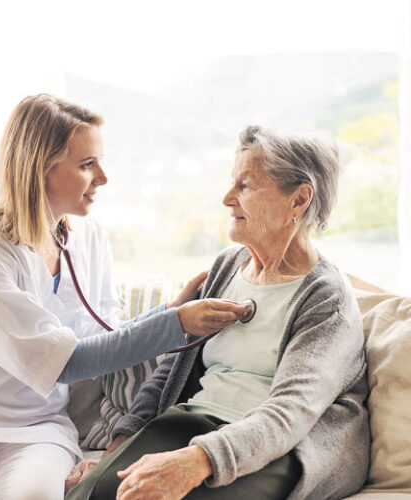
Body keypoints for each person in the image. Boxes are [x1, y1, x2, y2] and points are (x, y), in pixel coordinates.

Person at [0, 94, 246, 500]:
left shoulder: (88, 239)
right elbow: (68, 362)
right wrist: (176, 324)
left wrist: (169, 310)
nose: (103, 178)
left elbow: (101, 340)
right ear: (39, 167)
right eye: (87, 164)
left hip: (36, 423)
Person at [66, 125, 370, 500]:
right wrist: (113, 455)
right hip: (192, 424)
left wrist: (196, 461)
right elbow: (169, 373)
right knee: (91, 493)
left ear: (299, 199)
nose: (228, 199)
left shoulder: (326, 297)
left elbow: (291, 411)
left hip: (281, 448)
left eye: (246, 185)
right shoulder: (228, 267)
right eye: (232, 183)